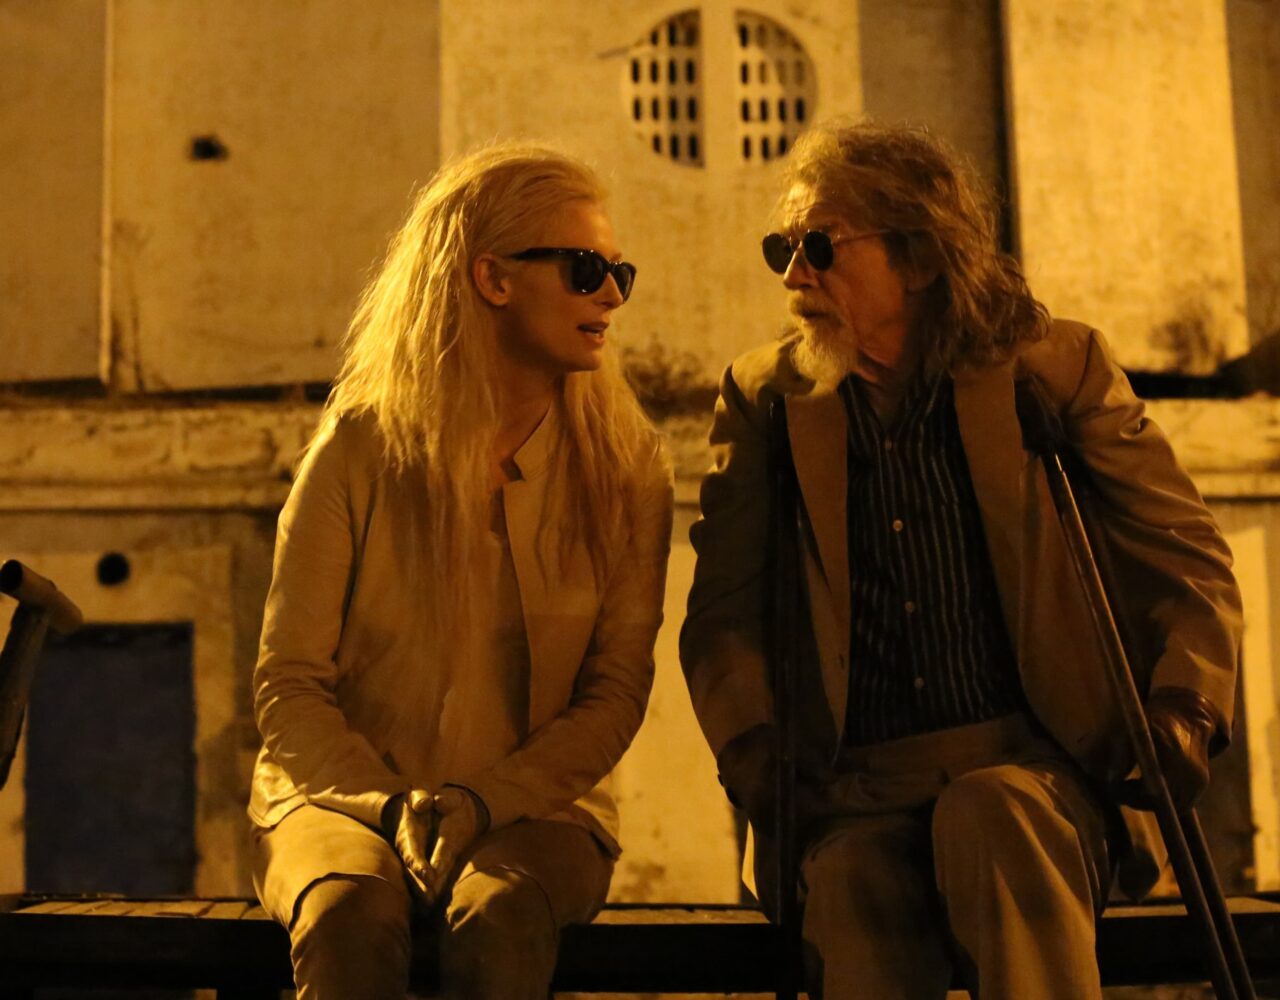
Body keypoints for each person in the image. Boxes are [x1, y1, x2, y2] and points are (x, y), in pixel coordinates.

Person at [680, 119, 1243, 1000]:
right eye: (781, 249)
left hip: (1037, 768)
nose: (793, 276)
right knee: (851, 884)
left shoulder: (1050, 370)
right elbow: (725, 607)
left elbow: (1182, 553)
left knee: (993, 813)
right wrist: (751, 748)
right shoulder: (768, 399)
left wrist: (1185, 708)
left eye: (820, 247)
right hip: (853, 788)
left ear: (918, 258)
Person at [248, 143, 673, 999]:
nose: (612, 296)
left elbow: (615, 692)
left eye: (619, 272)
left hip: (541, 812)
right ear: (492, 278)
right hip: (339, 800)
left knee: (500, 915)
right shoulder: (359, 449)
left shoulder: (627, 470)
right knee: (348, 912)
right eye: (586, 269)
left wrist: (486, 800)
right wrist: (385, 803)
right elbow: (289, 683)